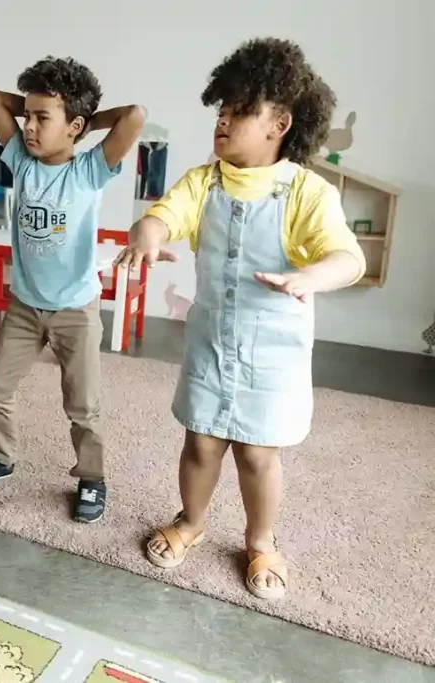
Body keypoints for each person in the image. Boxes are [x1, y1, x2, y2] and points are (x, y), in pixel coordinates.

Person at [117, 38, 366, 600]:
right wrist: (148, 238)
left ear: (280, 122)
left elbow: (349, 258)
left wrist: (310, 277)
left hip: (273, 352)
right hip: (210, 343)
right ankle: (191, 522)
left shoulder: (308, 193)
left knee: (257, 452)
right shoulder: (202, 183)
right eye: (220, 108)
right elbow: (160, 218)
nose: (222, 118)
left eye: (239, 109)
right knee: (201, 442)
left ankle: (261, 541)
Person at [0, 56, 145, 524]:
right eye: (29, 117)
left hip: (75, 312)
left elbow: (134, 116)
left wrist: (81, 120)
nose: (30, 127)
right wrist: (45, 109)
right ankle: (1, 458)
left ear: (75, 126)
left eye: (43, 119)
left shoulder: (89, 171)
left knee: (83, 405)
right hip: (24, 306)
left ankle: (92, 479)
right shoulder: (21, 159)